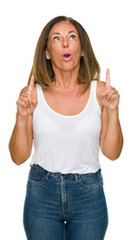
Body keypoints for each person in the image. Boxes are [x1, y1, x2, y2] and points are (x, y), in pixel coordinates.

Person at [8, 16, 122, 240]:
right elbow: (18, 157)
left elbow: (112, 153)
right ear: (47, 52)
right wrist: (22, 118)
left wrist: (112, 111)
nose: (66, 44)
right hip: (42, 192)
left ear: (82, 49)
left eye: (72, 37)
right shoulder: (32, 94)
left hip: (88, 193)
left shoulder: (101, 92)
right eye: (57, 38)